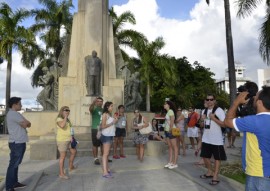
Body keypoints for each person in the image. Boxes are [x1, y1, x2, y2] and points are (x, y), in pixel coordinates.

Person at [224, 86, 270, 191]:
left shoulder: (254, 121)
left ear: (259, 102)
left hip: (258, 174)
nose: (253, 98)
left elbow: (227, 121)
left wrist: (236, 102)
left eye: (255, 97)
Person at [199, 94, 226, 186]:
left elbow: (224, 124)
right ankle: (210, 171)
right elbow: (202, 126)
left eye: (211, 99)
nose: (209, 101)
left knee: (217, 158)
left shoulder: (219, 110)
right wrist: (202, 120)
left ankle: (216, 176)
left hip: (216, 139)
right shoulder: (204, 110)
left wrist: (213, 118)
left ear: (214, 101)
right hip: (206, 138)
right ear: (206, 101)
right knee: (205, 157)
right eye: (207, 99)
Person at [5, 97, 31, 191]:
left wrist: (26, 122)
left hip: (18, 142)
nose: (21, 105)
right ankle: (9, 187)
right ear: (14, 105)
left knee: (15, 164)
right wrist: (26, 122)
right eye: (20, 104)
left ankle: (14, 183)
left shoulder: (16, 114)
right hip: (17, 143)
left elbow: (29, 123)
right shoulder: (13, 114)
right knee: (13, 164)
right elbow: (26, 124)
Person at [56, 106, 77, 179]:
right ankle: (61, 173)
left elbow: (70, 129)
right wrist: (65, 117)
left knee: (74, 152)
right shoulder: (59, 119)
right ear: (62, 111)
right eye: (66, 110)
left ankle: (71, 166)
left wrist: (72, 137)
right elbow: (62, 125)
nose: (68, 111)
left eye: (68, 110)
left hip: (69, 139)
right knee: (63, 157)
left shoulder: (68, 120)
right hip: (62, 140)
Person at [100, 101, 118, 178]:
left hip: (110, 135)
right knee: (105, 154)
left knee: (107, 154)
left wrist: (114, 120)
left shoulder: (109, 114)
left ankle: (107, 169)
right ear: (107, 107)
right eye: (111, 106)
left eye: (112, 106)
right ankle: (105, 172)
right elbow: (102, 126)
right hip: (106, 136)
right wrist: (113, 122)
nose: (112, 107)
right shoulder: (104, 115)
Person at [164, 100, 178, 169]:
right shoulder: (168, 112)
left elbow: (172, 120)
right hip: (167, 131)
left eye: (165, 104)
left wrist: (170, 128)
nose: (164, 105)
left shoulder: (170, 111)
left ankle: (175, 163)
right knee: (169, 146)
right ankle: (170, 162)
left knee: (174, 146)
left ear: (168, 105)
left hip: (171, 130)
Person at [89, 97, 103, 165]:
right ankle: (96, 158)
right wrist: (93, 102)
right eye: (98, 101)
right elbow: (90, 109)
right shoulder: (94, 109)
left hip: (103, 129)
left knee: (102, 144)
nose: (100, 102)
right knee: (95, 144)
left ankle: (103, 157)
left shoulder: (103, 110)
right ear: (96, 102)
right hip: (95, 129)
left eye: (101, 101)